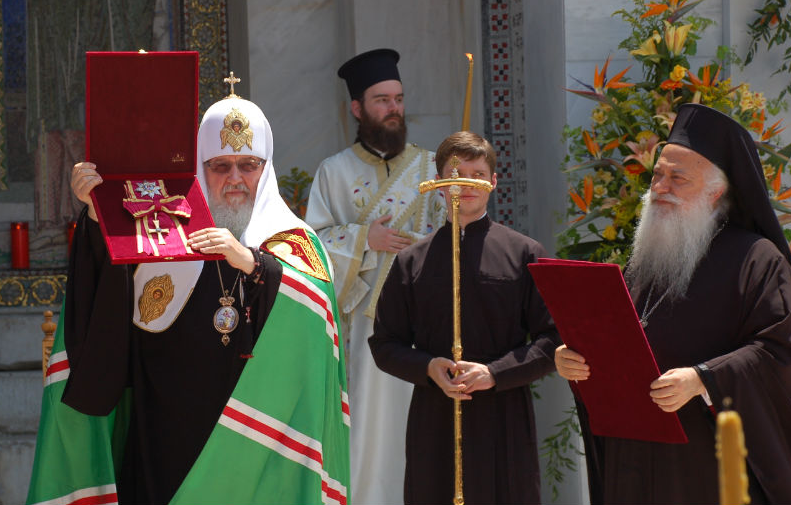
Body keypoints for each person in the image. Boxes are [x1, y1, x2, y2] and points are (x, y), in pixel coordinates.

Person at [27, 89, 349, 505]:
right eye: (220, 166)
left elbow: (317, 316)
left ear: (266, 168)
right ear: (200, 167)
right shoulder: (163, 232)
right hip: (167, 438)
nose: (235, 178)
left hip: (261, 446)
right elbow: (109, 303)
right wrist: (95, 213)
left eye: (248, 165)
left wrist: (251, 262)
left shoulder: (295, 240)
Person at [555, 103, 791, 504]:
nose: (659, 187)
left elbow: (778, 352)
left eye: (677, 178)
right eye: (657, 175)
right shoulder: (649, 256)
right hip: (632, 457)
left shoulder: (757, 259)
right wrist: (576, 359)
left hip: (703, 463)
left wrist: (703, 379)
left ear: (716, 191)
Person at [368, 131, 560, 504]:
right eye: (456, 175)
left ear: (493, 181)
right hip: (434, 417)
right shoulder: (411, 261)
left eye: (477, 175)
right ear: (439, 182)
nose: (467, 185)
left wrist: (495, 373)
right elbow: (384, 344)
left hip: (503, 415)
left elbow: (552, 340)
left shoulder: (525, 253)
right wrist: (428, 367)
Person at [305, 48, 446, 503]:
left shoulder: (433, 168)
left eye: (398, 99)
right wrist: (366, 238)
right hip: (363, 330)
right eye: (382, 100)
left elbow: (457, 238)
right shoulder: (334, 172)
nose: (393, 109)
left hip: (424, 329)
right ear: (357, 108)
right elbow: (311, 248)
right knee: (368, 432)